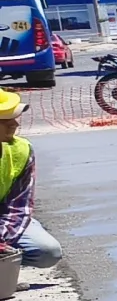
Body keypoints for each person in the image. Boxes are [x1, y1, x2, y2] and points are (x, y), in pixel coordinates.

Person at [0, 89, 64, 278]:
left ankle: (5, 270)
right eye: (5, 120)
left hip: (2, 218)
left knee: (47, 252)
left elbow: (18, 207)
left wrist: (1, 240)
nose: (15, 124)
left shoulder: (21, 150)